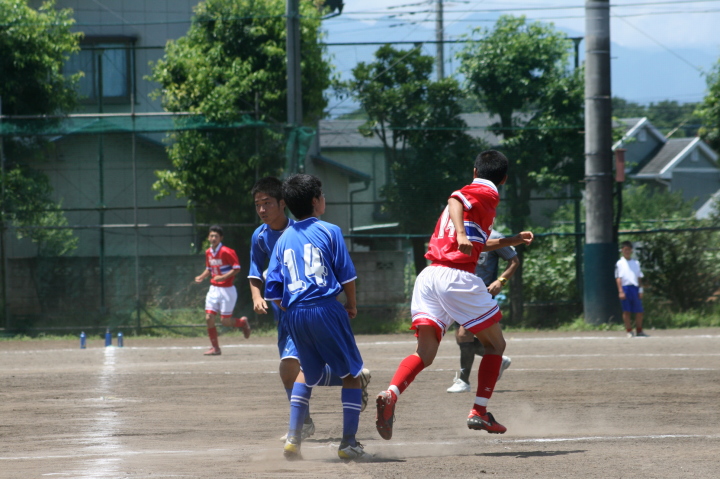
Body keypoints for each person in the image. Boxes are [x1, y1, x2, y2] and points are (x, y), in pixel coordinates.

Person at [375, 150, 533, 440]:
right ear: (504, 179)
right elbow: (455, 198)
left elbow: (476, 243)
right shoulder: (486, 192)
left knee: (425, 354)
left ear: (474, 170)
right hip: (456, 278)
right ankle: (479, 411)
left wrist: (512, 240)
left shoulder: (477, 204)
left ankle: (391, 394)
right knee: (496, 345)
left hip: (430, 276)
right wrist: (460, 232)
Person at [247, 177, 370, 443]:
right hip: (322, 308)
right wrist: (351, 303)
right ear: (315, 201)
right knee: (349, 374)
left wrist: (290, 306)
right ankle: (348, 441)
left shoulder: (285, 238)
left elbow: (273, 289)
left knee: (299, 372)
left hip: (294, 313)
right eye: (258, 204)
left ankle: (295, 436)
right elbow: (346, 274)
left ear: (284, 203)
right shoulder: (327, 230)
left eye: (267, 203)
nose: (262, 209)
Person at [447, 229, 517, 393]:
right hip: (459, 293)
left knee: (464, 334)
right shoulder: (458, 236)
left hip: (481, 292)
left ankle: (463, 381)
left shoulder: (495, 237)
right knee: (461, 338)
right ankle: (497, 359)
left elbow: (514, 261)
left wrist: (501, 281)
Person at [195, 225, 251, 356]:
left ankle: (243, 323)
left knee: (225, 321)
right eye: (211, 236)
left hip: (227, 290)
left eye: (216, 236)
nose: (213, 238)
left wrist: (223, 277)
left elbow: (237, 268)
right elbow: (209, 269)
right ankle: (215, 348)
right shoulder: (208, 252)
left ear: (221, 238)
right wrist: (201, 277)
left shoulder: (227, 251)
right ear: (208, 237)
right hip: (214, 289)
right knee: (209, 317)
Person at [615, 241, 648, 338]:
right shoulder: (619, 263)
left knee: (639, 311)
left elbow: (639, 277)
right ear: (622, 250)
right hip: (625, 288)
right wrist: (620, 291)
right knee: (626, 311)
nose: (627, 251)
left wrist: (640, 290)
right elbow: (618, 278)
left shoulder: (636, 263)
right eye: (625, 250)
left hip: (635, 288)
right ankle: (629, 331)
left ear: (631, 250)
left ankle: (639, 330)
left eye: (629, 250)